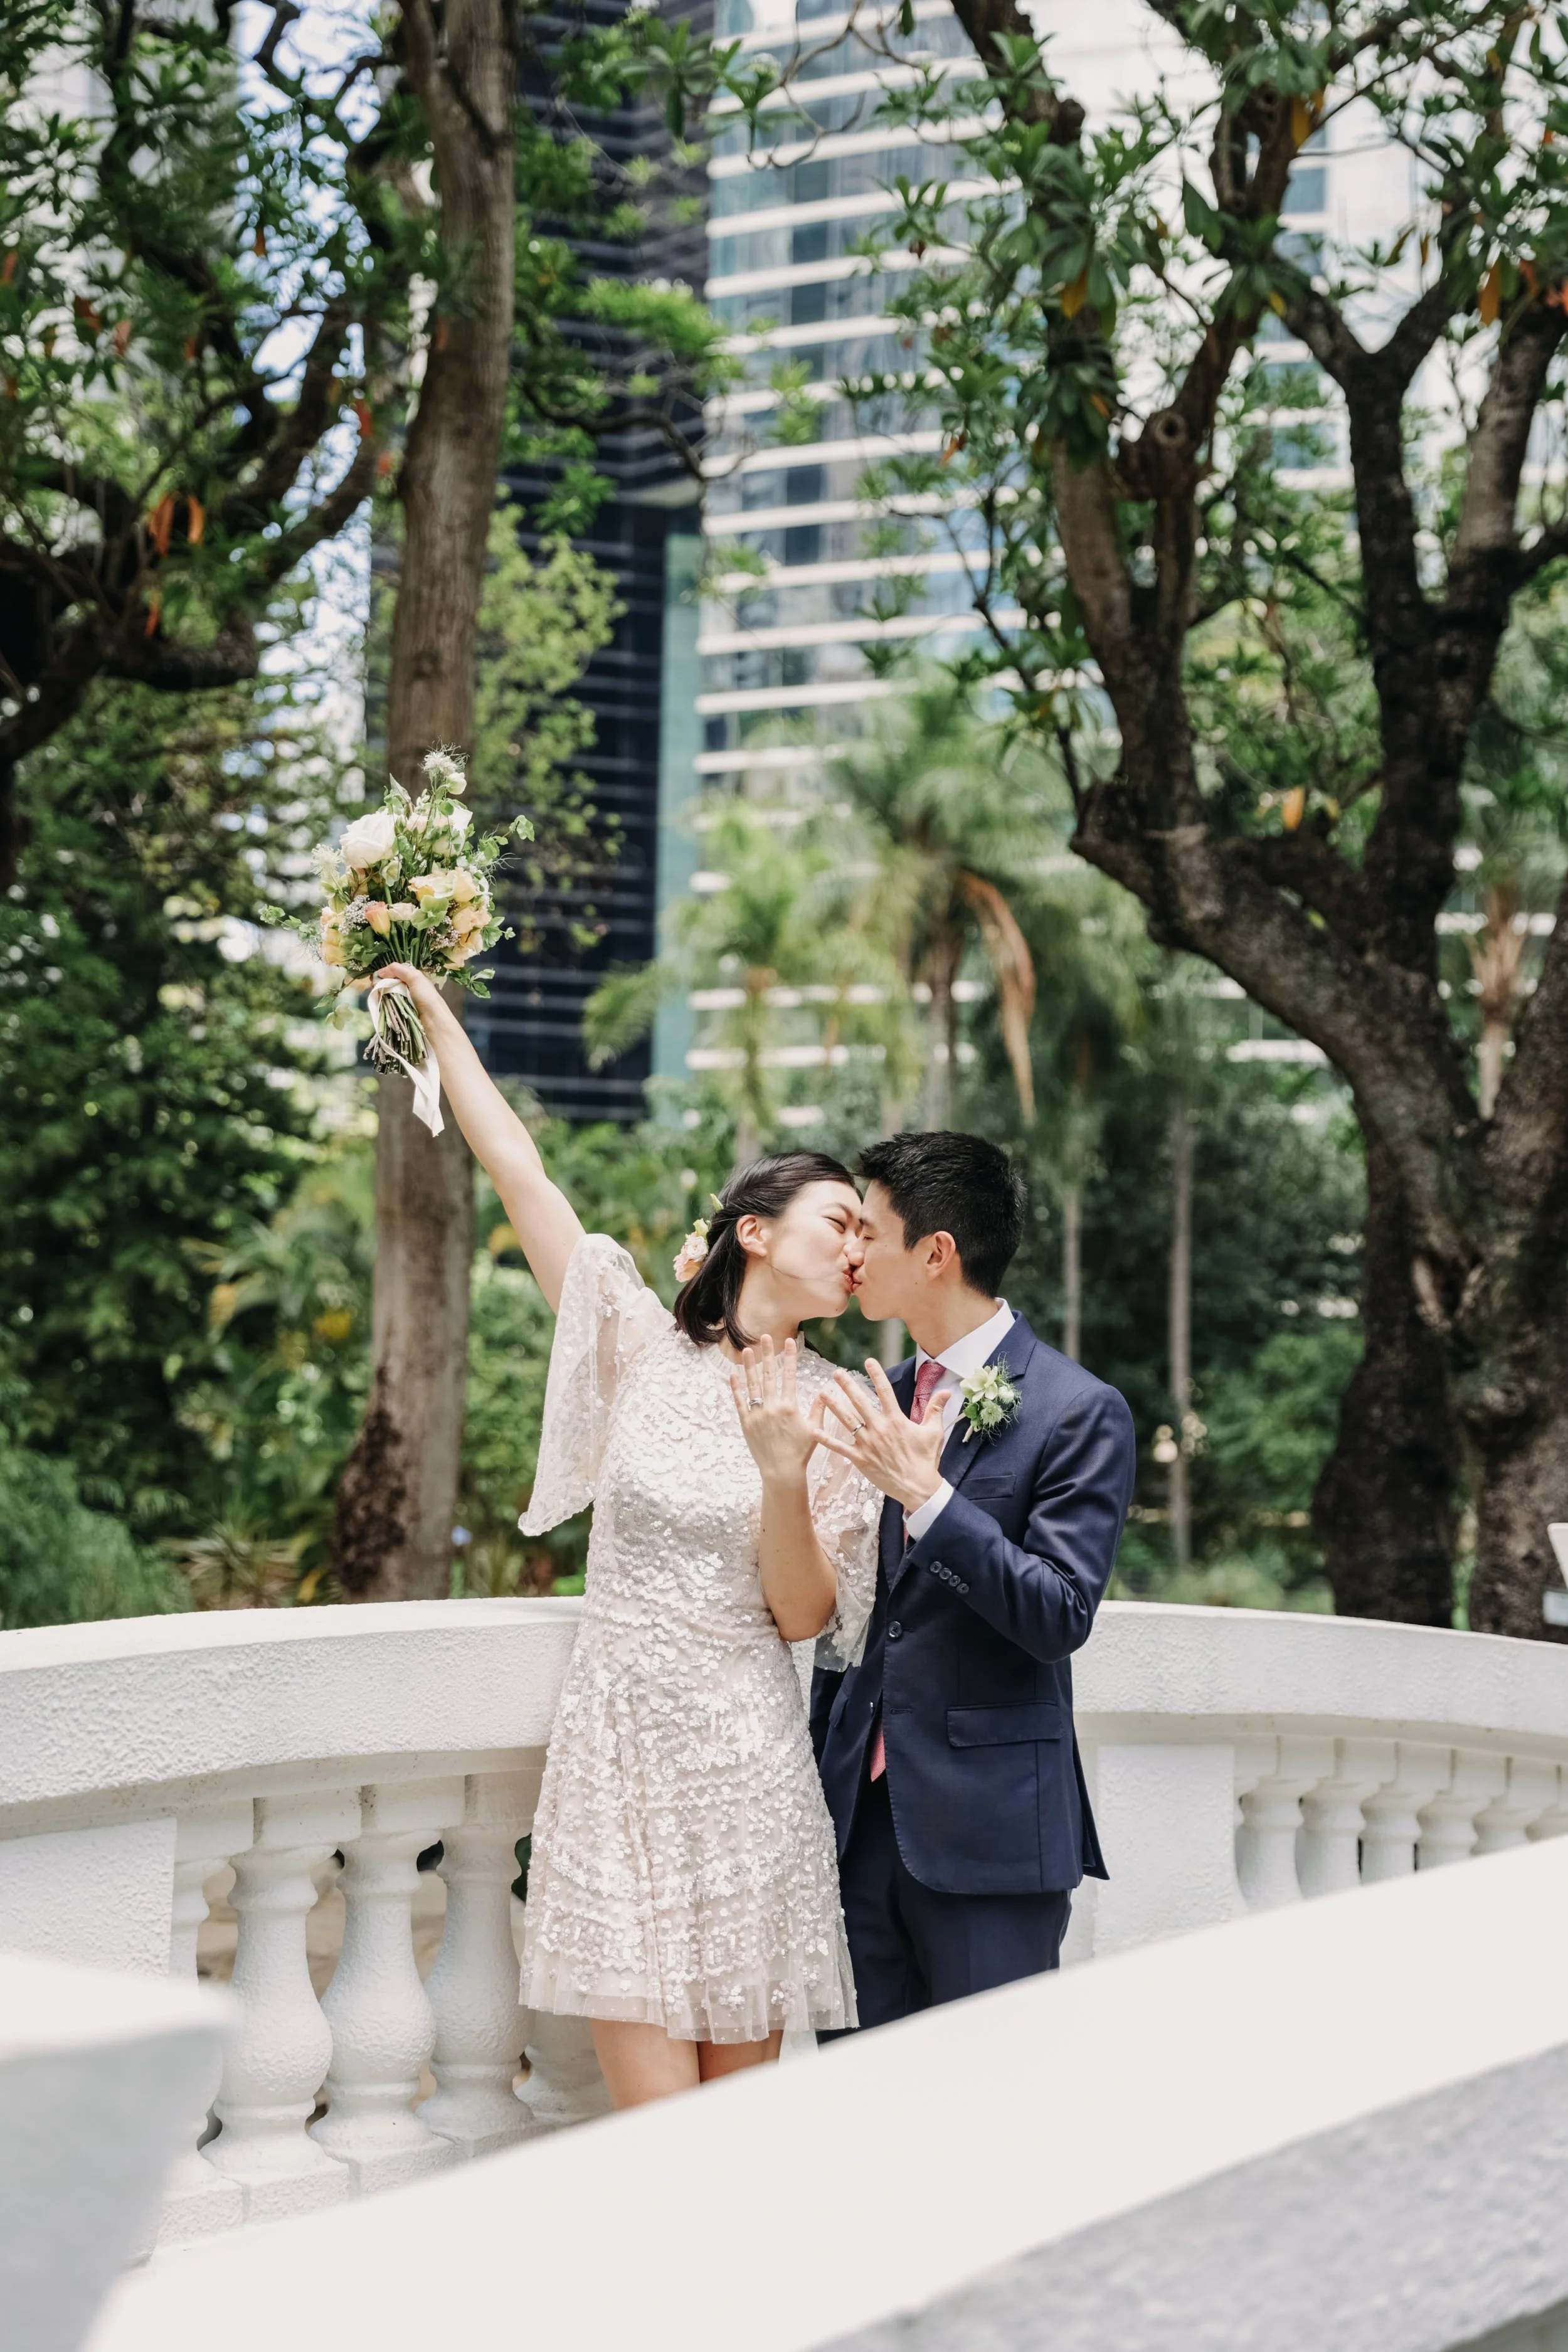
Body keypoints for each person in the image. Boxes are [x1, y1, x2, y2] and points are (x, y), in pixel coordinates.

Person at [376, 967, 880, 2108]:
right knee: (657, 2133)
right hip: (622, 1757)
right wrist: (442, 1021)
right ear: (755, 1230)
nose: (859, 1249)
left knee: (730, 2124)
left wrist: (784, 1475)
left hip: (749, 1767)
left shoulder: (844, 1410)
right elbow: (521, 1172)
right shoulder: (639, 1349)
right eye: (839, 1222)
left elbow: (803, 1616)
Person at [810, 1130, 1135, 2028]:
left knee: (990, 2117)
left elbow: (1059, 1612)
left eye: (869, 1232)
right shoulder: (878, 1394)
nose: (852, 1250)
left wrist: (930, 1497)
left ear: (937, 1252)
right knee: (862, 2112)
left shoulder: (1077, 1410)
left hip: (991, 1837)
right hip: (855, 1828)